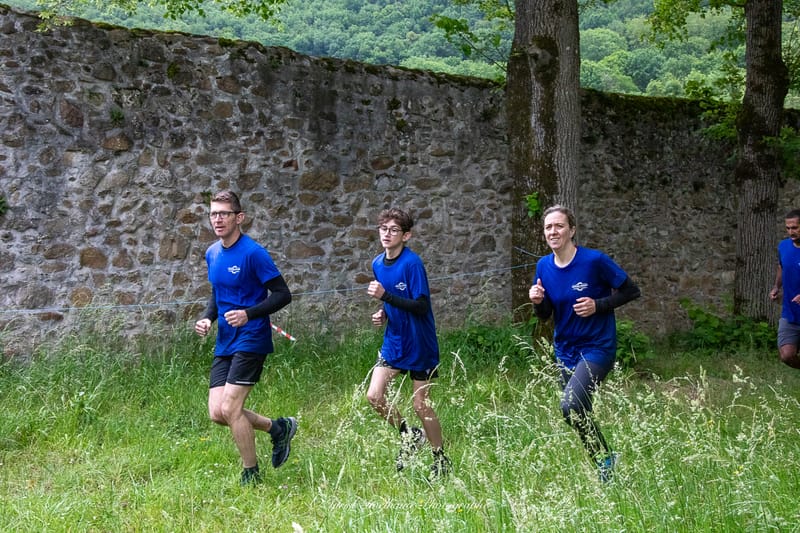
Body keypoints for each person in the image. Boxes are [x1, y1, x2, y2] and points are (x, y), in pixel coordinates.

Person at [528, 205, 640, 483]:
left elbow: (631, 291)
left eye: (559, 226)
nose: (553, 231)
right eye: (548, 227)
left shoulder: (594, 261)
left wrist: (598, 305)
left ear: (572, 230)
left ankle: (606, 461)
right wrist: (538, 302)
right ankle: (605, 463)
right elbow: (545, 316)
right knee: (577, 413)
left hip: (597, 347)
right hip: (565, 349)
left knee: (569, 404)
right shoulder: (543, 266)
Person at [194, 190, 296, 486]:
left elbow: (283, 294)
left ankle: (251, 473)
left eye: (224, 213)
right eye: (213, 213)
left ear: (239, 217)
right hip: (225, 340)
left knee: (231, 408)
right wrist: (207, 318)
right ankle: (277, 429)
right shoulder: (212, 252)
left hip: (251, 337)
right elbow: (217, 292)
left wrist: (249, 314)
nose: (218, 219)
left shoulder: (253, 253)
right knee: (217, 413)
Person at [365, 207, 451, 478]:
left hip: (419, 342)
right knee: (374, 396)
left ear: (406, 235)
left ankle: (440, 458)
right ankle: (410, 435)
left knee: (420, 404)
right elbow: (390, 301)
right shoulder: (378, 264)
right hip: (394, 341)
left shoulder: (412, 264)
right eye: (384, 229)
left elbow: (421, 306)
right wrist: (382, 313)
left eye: (394, 230)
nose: (387, 234)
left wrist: (386, 297)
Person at [769, 209, 800, 369]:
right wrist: (776, 287)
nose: (790, 232)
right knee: (787, 355)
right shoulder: (783, 246)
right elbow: (782, 267)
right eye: (788, 228)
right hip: (790, 312)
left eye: (794, 228)